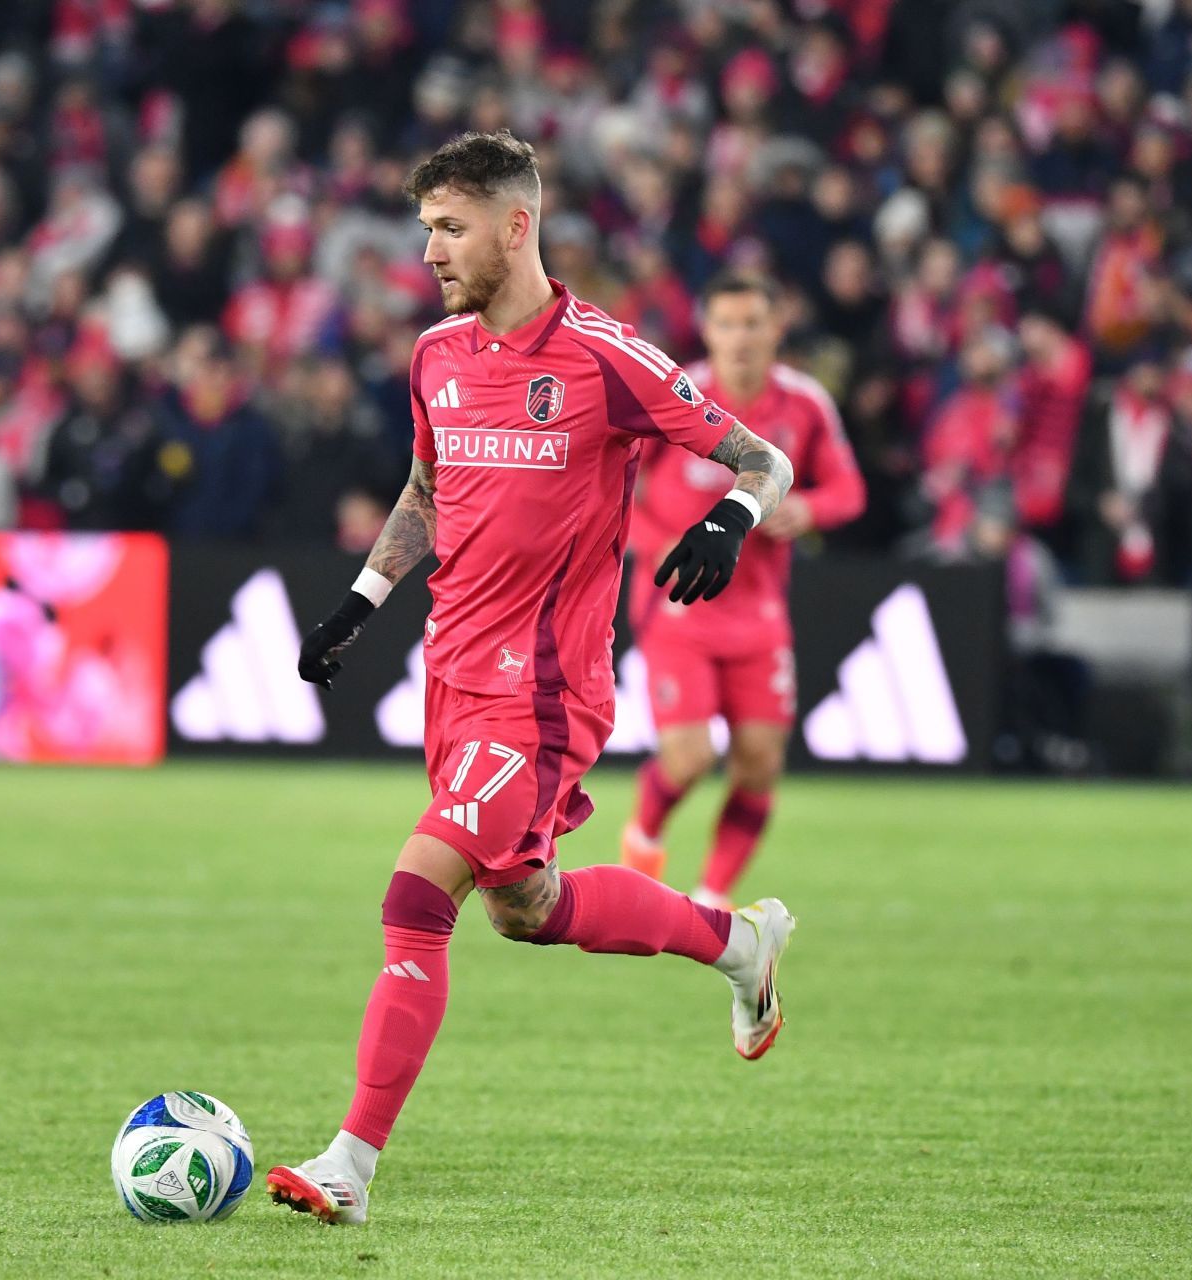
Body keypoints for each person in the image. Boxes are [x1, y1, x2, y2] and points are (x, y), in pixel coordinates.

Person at [271, 132, 798, 1225]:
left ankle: (349, 1164)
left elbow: (764, 457)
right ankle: (739, 944)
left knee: (418, 892)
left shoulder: (609, 357)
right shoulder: (436, 356)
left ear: (518, 225)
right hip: (452, 678)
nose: (430, 250)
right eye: (424, 228)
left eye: (450, 227)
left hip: (545, 691)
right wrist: (360, 603)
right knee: (526, 905)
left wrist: (731, 516)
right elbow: (425, 490)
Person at [620, 273, 867, 907]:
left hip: (758, 612)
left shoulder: (805, 404)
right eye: (727, 324)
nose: (740, 339)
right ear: (706, 331)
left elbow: (848, 490)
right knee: (691, 757)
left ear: (776, 329)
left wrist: (807, 510)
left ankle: (712, 895)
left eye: (753, 324)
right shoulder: (679, 396)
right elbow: (619, 490)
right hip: (680, 607)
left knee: (759, 763)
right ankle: (644, 832)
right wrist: (665, 544)